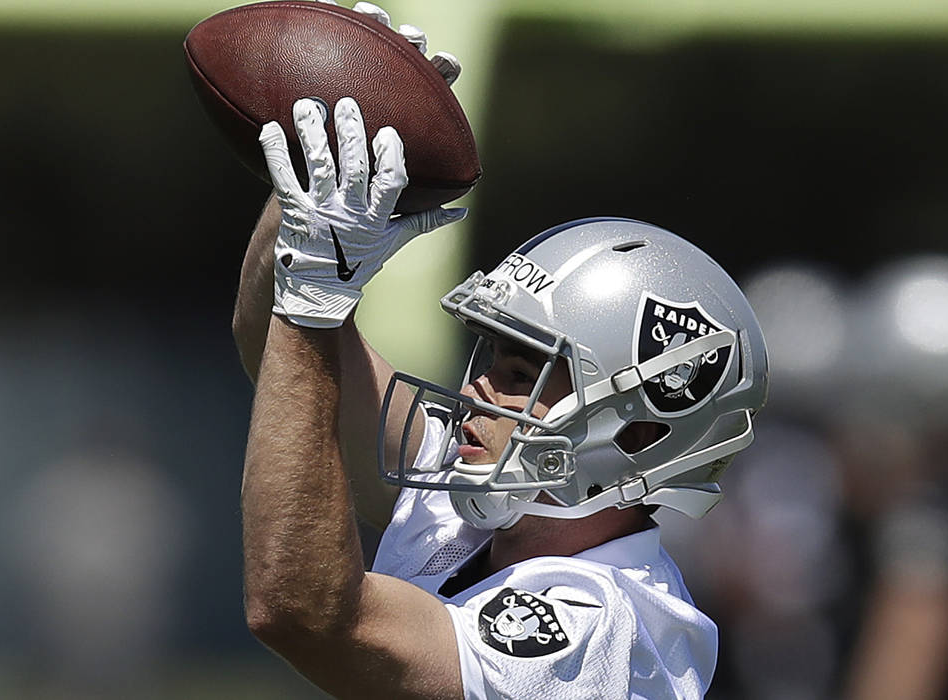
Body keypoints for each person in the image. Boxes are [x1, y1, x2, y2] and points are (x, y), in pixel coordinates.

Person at [232, 6, 768, 697]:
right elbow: (272, 340)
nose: (480, 391)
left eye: (522, 375)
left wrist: (313, 298)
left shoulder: (599, 626)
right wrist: (320, 177)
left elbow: (302, 614)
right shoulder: (481, 513)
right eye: (491, 361)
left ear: (634, 434)